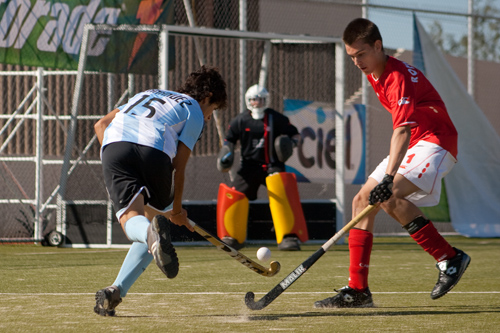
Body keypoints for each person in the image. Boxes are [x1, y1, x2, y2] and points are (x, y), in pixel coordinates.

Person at [314, 18, 470, 308]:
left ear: (377, 46)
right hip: (417, 142)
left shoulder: (396, 77)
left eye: (361, 54)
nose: (357, 62)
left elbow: (401, 129)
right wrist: (387, 176)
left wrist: (388, 178)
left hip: (435, 141)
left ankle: (449, 257)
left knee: (389, 195)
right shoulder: (374, 71)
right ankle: (358, 291)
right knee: (361, 201)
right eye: (351, 57)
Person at [92, 65, 227, 316]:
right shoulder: (193, 110)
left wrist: (117, 161)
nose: (209, 117)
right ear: (207, 98)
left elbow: (101, 125)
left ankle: (115, 291)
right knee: (152, 222)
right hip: (154, 151)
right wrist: (176, 211)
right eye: (213, 110)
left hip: (115, 146)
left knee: (138, 220)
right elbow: (179, 167)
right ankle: (122, 282)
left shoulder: (146, 93)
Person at [216, 84, 307, 251]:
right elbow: (229, 139)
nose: (256, 103)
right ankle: (232, 236)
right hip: (249, 167)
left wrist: (292, 142)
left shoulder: (277, 118)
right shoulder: (240, 120)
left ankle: (288, 236)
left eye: (259, 99)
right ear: (248, 101)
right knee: (235, 194)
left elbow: (296, 134)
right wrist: (226, 151)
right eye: (253, 100)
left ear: (266, 100)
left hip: (273, 166)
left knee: (282, 196)